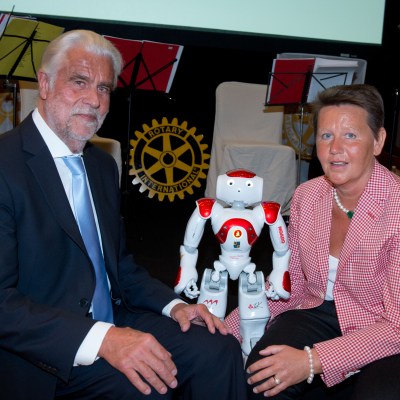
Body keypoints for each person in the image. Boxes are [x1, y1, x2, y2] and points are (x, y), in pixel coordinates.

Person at [0, 29, 247, 400]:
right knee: (146, 387)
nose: (94, 100)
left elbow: (118, 266)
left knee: (217, 349)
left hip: (113, 318)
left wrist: (176, 306)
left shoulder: (101, 165)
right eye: (79, 82)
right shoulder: (5, 165)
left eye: (103, 88)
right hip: (47, 352)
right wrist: (103, 339)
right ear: (45, 84)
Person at [225, 84, 400, 399]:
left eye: (350, 135)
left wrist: (311, 361)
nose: (335, 148)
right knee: (262, 376)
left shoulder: (396, 206)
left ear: (378, 141)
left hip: (382, 328)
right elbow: (288, 284)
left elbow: (397, 326)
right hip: (318, 310)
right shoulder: (307, 196)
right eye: (326, 135)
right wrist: (228, 328)